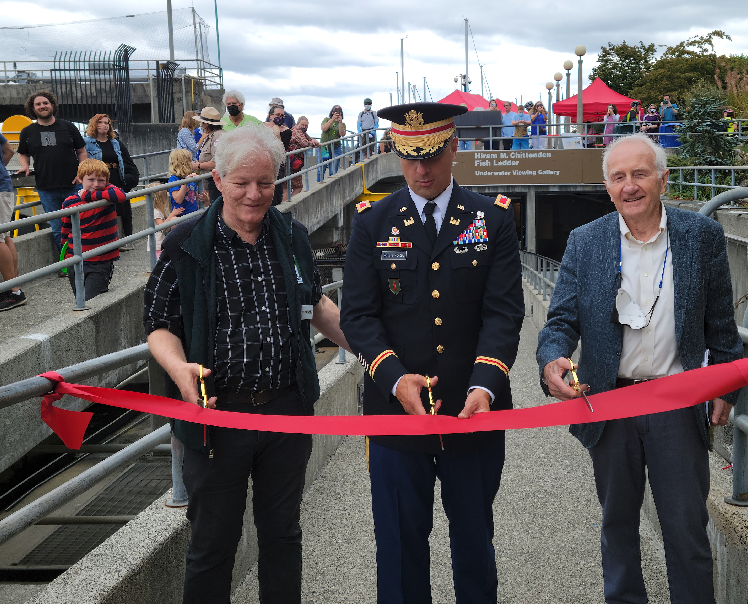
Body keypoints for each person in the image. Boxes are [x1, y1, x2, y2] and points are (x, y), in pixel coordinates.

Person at [143, 125, 350, 604]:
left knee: (282, 534)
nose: (255, 195)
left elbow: (315, 304)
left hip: (285, 410)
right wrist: (180, 371)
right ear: (217, 179)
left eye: (266, 183)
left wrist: (375, 354)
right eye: (242, 183)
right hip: (216, 417)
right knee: (213, 544)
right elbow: (157, 324)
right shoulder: (186, 243)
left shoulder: (293, 236)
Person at [536, 133, 742, 604]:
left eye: (640, 174)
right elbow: (561, 320)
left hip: (678, 402)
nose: (630, 186)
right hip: (610, 403)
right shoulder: (585, 242)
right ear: (607, 187)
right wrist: (552, 359)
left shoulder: (700, 236)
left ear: (663, 179)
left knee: (686, 529)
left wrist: (726, 387)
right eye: (619, 177)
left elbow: (722, 327)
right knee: (617, 526)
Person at [340, 102, 524, 604]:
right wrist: (396, 378)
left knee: (474, 545)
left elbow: (504, 312)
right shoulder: (372, 222)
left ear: (454, 147)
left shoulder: (493, 219)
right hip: (395, 417)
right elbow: (358, 315)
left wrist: (486, 384)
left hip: (473, 414)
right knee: (398, 553)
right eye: (409, 156)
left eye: (432, 155)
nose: (421, 169)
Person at [16, 90, 86, 256]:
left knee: (80, 225)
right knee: (58, 229)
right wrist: (25, 166)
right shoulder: (27, 132)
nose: (42, 106)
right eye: (38, 104)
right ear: (33, 109)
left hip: (74, 185)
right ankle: (67, 263)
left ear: (52, 105)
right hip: (46, 188)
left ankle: (85, 261)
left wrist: (82, 172)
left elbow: (81, 151)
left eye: (45, 103)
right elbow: (22, 153)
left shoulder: (68, 127)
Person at [60, 159, 126, 301]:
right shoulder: (69, 202)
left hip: (101, 260)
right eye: (90, 179)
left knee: (91, 301)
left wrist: (89, 196)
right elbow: (65, 230)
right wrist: (65, 256)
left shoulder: (107, 195)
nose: (96, 184)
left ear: (107, 181)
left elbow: (120, 196)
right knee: (80, 300)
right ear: (79, 179)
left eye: (101, 180)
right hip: (76, 259)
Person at [83, 113, 140, 249]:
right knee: (103, 209)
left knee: (124, 208)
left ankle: (127, 239)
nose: (104, 125)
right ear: (94, 125)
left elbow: (128, 162)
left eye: (107, 122)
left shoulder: (116, 143)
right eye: (100, 122)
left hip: (115, 177)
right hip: (99, 179)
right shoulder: (87, 143)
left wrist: (127, 179)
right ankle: (105, 241)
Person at [0, 132, 26, 311]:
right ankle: (12, 287)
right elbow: (8, 149)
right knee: (5, 235)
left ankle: (15, 292)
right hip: (4, 187)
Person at [191, 107, 225, 204]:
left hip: (214, 180)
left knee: (214, 207)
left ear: (206, 124)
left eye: (202, 122)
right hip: (210, 179)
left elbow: (216, 162)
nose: (201, 125)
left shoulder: (218, 136)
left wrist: (197, 166)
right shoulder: (213, 135)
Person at [146, 181, 184, 259]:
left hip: (161, 242)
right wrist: (172, 215)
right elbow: (162, 226)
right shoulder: (155, 212)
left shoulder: (160, 210)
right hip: (157, 244)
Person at [265, 105, 292, 205]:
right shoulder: (263, 127)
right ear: (271, 116)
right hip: (263, 161)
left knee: (276, 190)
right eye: (277, 115)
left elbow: (281, 150)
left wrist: (277, 134)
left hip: (277, 163)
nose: (280, 117)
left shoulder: (286, 131)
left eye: (282, 115)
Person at [288, 116, 320, 196]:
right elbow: (305, 143)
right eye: (302, 124)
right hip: (292, 161)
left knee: (289, 186)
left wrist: (314, 142)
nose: (304, 127)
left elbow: (309, 139)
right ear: (298, 123)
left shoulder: (302, 131)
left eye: (306, 126)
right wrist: (314, 143)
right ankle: (289, 204)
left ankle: (288, 202)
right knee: (295, 186)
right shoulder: (296, 131)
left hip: (293, 161)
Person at [167, 149, 199, 216]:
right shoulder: (173, 179)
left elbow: (196, 198)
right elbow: (178, 200)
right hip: (182, 217)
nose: (192, 163)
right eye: (190, 161)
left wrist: (204, 198)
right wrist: (185, 182)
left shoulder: (189, 177)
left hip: (194, 214)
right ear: (183, 164)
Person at [319, 104, 346, 181]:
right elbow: (323, 128)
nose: (337, 112)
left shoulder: (342, 124)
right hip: (325, 147)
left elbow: (342, 134)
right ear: (332, 112)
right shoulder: (327, 120)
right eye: (335, 110)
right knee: (321, 169)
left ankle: (331, 184)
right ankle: (319, 183)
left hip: (336, 148)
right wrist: (332, 119)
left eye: (339, 111)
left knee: (333, 170)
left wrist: (340, 122)